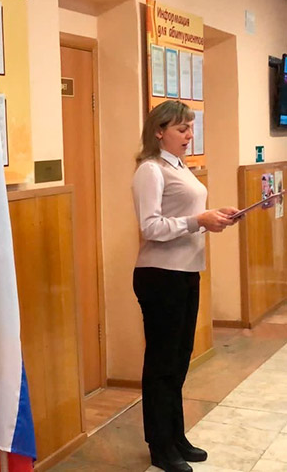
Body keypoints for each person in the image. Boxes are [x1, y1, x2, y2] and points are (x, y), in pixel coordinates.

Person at [132, 100, 239, 472]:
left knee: (178, 362)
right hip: (160, 275)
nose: (190, 135)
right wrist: (198, 221)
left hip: (186, 272)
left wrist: (215, 217)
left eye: (191, 128)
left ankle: (176, 437)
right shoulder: (150, 169)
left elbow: (188, 216)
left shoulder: (180, 167)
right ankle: (160, 446)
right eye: (182, 129)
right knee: (162, 364)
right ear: (159, 131)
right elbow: (150, 227)